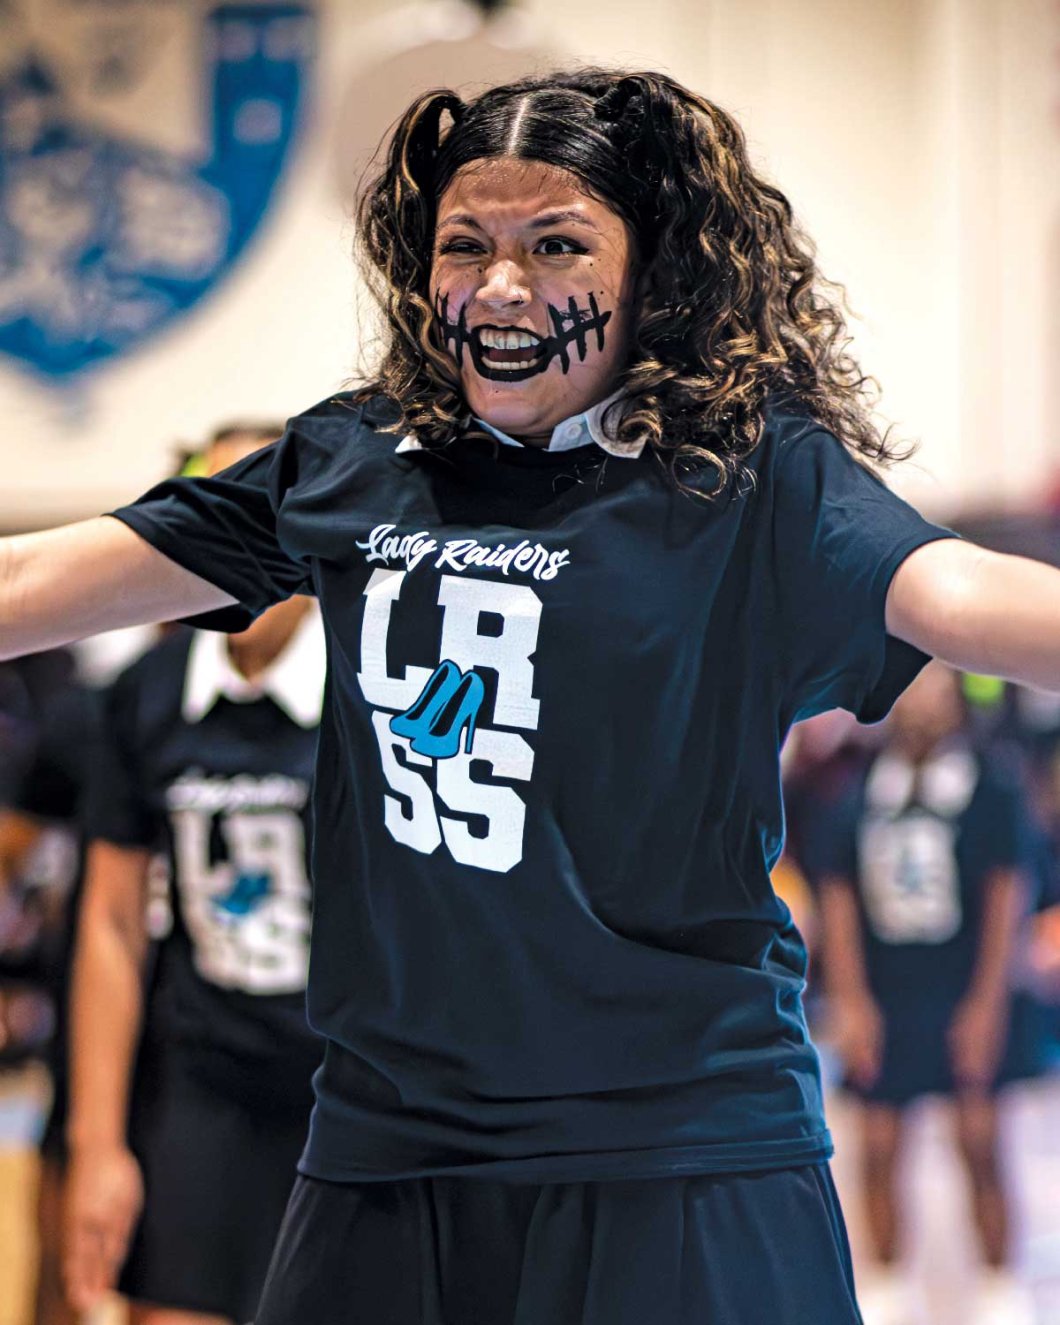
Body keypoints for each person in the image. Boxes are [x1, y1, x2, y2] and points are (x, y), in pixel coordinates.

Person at [3, 67, 1060, 1323]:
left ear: (649, 274)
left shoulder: (743, 476)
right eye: (466, 245)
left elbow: (965, 595)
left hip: (680, 1149)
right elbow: (33, 576)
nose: (501, 287)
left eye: (556, 243)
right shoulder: (348, 464)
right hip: (390, 1152)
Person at [62, 427, 325, 1325]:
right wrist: (97, 1144)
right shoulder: (145, 691)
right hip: (204, 1080)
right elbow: (110, 923)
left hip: (351, 1086)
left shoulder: (383, 682)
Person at [810, 662, 1037, 1325]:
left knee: (980, 1138)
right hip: (888, 990)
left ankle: (1000, 1288)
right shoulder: (855, 795)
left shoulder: (990, 789)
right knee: (878, 1144)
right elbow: (838, 898)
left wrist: (987, 1003)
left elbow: (1007, 896)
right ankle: (884, 1287)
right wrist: (851, 1001)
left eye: (935, 689)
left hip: (966, 984)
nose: (920, 704)